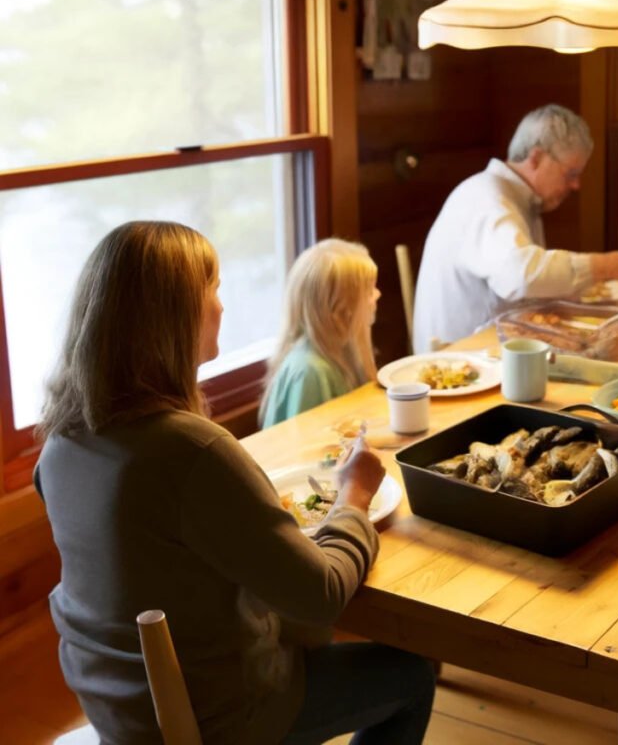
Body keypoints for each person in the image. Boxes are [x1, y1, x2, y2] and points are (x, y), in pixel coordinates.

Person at [35, 221, 434, 745]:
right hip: (218, 716)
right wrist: (354, 492)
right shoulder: (191, 450)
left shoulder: (61, 445)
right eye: (214, 288)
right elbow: (322, 594)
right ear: (171, 316)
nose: (222, 306)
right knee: (413, 674)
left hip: (122, 707)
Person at [413, 103, 618, 352]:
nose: (576, 185)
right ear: (536, 158)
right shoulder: (487, 198)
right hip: (457, 363)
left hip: (487, 350)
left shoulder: (515, 198)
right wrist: (606, 266)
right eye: (570, 174)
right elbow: (521, 276)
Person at [260, 239, 380, 429]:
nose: (377, 295)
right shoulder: (309, 372)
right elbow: (305, 449)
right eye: (369, 290)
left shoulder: (342, 350)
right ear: (340, 310)